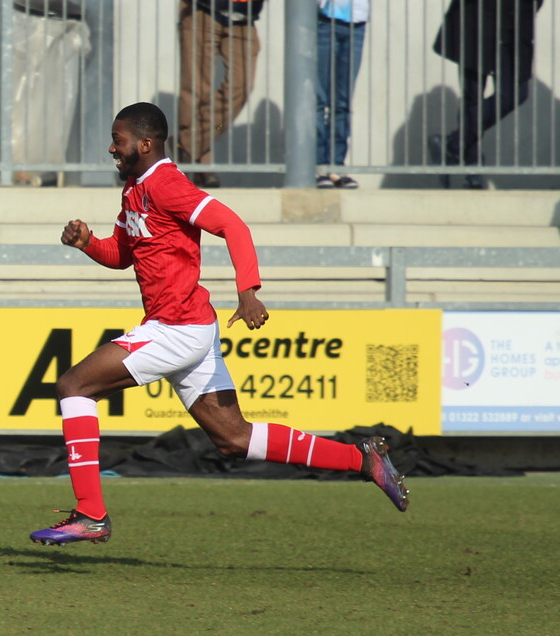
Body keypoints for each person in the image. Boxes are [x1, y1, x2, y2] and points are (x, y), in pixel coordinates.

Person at [29, 102, 410, 547]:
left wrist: (248, 291)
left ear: (145, 144)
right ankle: (363, 459)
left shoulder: (166, 184)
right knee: (234, 438)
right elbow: (123, 254)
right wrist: (88, 243)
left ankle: (91, 514)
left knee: (74, 386)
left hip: (176, 328)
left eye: (119, 140)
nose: (112, 148)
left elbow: (232, 224)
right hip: (191, 328)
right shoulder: (135, 188)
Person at [429, 0, 545, 189]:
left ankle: (451, 145)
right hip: (477, 21)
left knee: (515, 94)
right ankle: (472, 171)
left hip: (513, 29)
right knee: (472, 97)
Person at [177, 0, 264, 189]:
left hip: (243, 15)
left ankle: (184, 146)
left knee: (241, 86)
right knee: (196, 91)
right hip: (202, 10)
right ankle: (200, 165)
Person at [316, 0, 369, 190]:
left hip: (357, 23)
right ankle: (318, 166)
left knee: (342, 103)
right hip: (324, 20)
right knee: (318, 100)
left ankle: (336, 166)